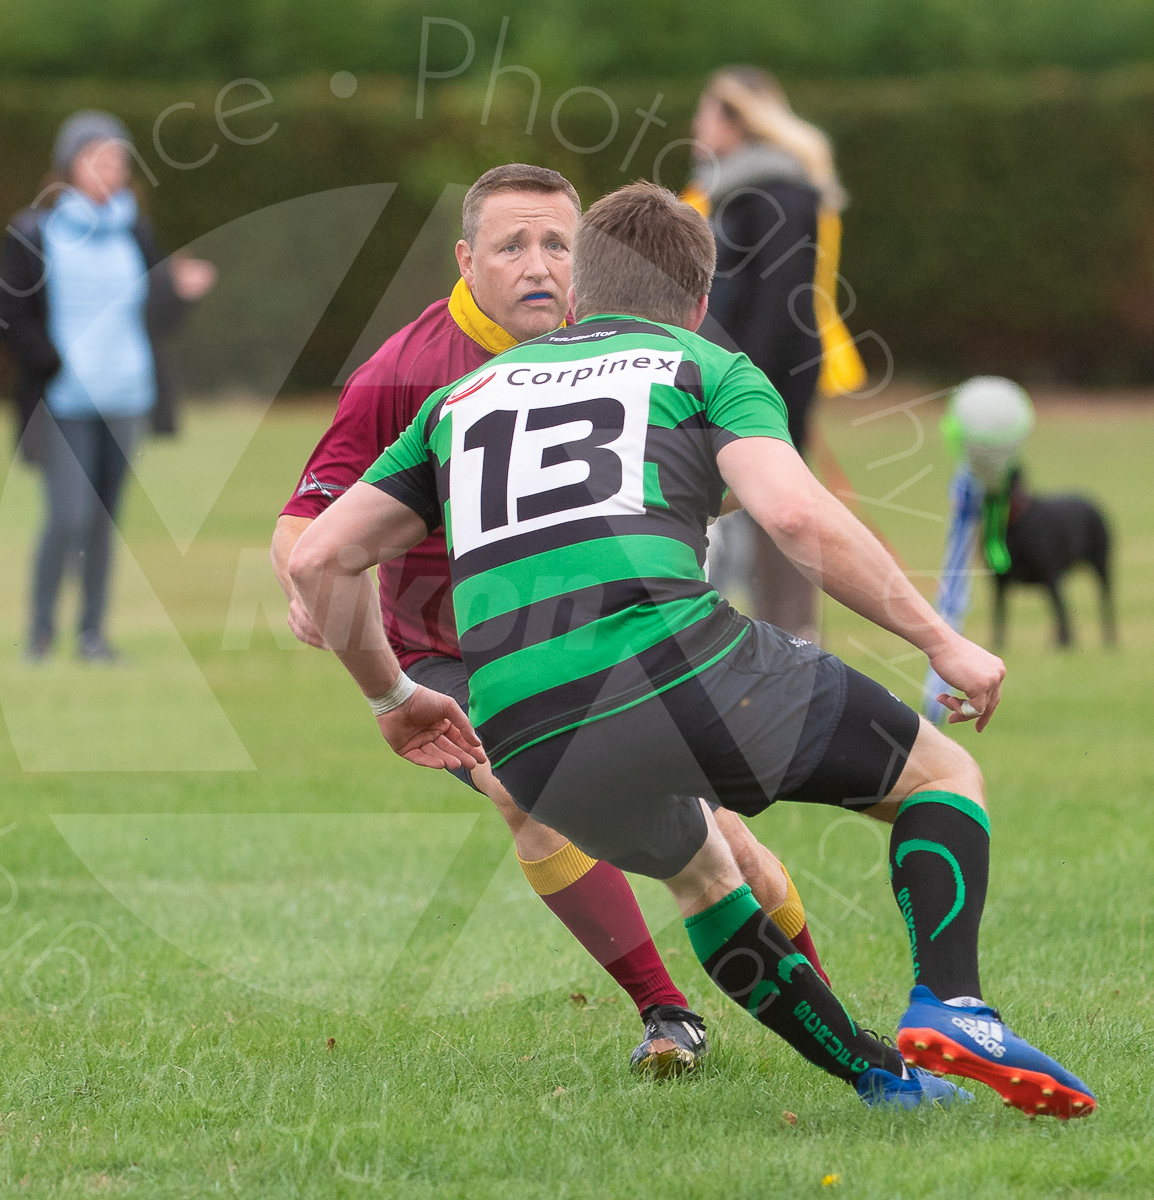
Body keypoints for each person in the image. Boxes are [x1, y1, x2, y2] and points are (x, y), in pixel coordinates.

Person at [289, 180, 1096, 1116]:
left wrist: (394, 700)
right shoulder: (702, 365)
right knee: (942, 776)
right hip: (676, 666)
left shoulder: (456, 400)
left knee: (704, 872)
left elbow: (316, 560)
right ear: (699, 302)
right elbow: (794, 513)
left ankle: (882, 1079)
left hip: (519, 726)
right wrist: (942, 641)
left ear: (580, 289)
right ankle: (954, 1003)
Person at [271, 164, 828, 1079]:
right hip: (456, 656)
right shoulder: (403, 373)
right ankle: (665, 1013)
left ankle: (825, 1022)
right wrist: (304, 583)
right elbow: (307, 520)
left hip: (617, 632)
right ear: (466, 259)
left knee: (729, 843)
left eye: (558, 245)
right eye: (512, 245)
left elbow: (721, 469)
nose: (538, 265)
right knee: (525, 795)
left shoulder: (620, 344)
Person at [0, 110, 216, 662]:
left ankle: (92, 636)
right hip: (64, 400)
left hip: (126, 397)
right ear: (68, 165)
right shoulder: (34, 231)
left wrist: (180, 292)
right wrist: (53, 360)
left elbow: (157, 318)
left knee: (104, 522)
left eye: (116, 159)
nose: (107, 169)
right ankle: (40, 633)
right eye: (96, 157)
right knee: (67, 516)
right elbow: (2, 313)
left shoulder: (135, 228)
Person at [686, 67, 864, 644]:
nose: (696, 125)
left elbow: (781, 301)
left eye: (707, 113)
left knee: (778, 508)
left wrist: (741, 382)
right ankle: (712, 641)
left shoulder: (782, 192)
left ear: (739, 121)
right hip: (732, 370)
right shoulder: (730, 192)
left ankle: (793, 641)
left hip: (765, 376)